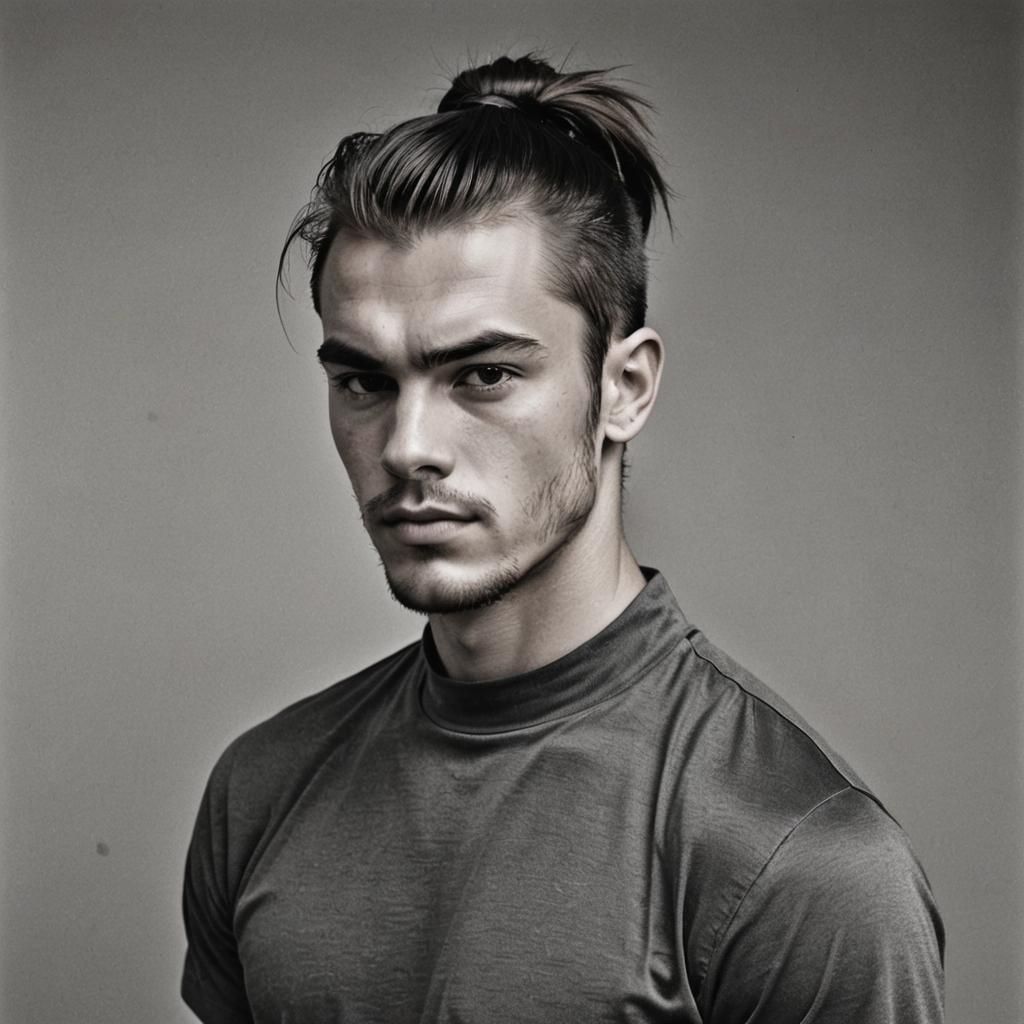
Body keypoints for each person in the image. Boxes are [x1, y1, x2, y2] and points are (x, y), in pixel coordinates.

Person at [181, 54, 944, 1023]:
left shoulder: (798, 861)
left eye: (483, 374)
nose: (409, 447)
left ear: (623, 387)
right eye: (364, 381)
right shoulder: (261, 788)